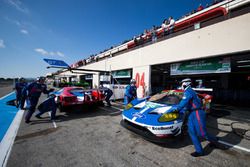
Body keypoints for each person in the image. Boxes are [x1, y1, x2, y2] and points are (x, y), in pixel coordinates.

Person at [169, 78, 218, 157]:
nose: (181, 85)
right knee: (192, 132)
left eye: (182, 83)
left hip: (197, 113)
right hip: (191, 113)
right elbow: (187, 104)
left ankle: (214, 141)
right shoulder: (188, 91)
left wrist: (177, 110)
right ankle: (199, 151)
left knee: (202, 133)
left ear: (186, 84)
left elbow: (184, 102)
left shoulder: (188, 91)